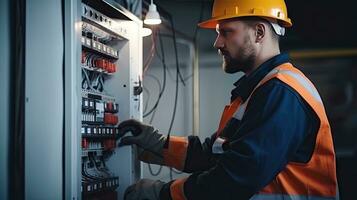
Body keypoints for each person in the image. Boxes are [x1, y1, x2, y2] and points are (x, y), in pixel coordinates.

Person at [118, 0, 338, 199]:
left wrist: (164, 194)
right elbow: (214, 154)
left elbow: (236, 178)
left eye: (225, 32)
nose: (217, 43)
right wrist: (157, 144)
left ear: (259, 33)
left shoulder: (281, 93)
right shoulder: (259, 91)